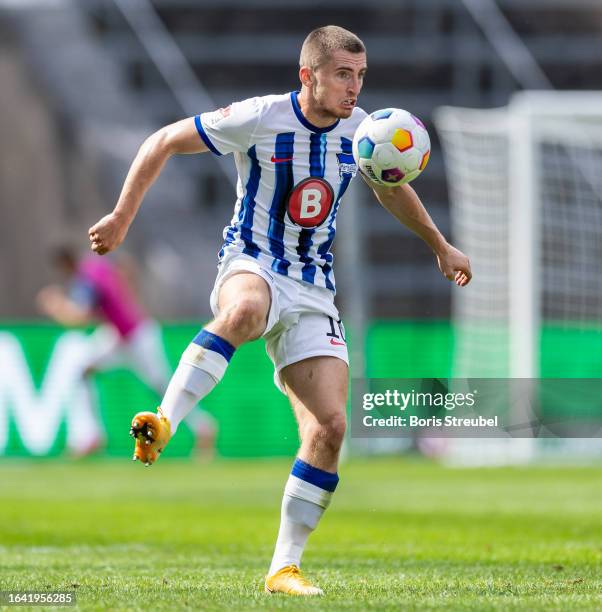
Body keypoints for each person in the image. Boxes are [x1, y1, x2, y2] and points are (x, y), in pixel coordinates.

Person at [87, 25, 472, 596]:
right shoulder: (261, 117)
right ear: (307, 75)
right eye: (343, 74)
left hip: (314, 289)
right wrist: (121, 217)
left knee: (331, 428)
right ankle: (164, 419)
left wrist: (439, 244)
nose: (354, 88)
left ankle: (283, 567)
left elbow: (390, 185)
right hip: (253, 262)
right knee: (244, 310)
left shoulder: (362, 133)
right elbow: (163, 140)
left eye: (360, 76)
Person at [37, 246, 217, 456]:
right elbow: (125, 266)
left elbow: (78, 318)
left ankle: (204, 428)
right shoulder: (97, 267)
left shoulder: (85, 279)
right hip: (119, 335)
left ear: (65, 265)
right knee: (83, 369)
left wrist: (55, 305)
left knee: (164, 388)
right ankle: (90, 435)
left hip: (137, 337)